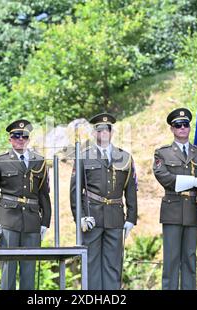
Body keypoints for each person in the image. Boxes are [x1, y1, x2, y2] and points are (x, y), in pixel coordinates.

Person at [70, 113, 138, 290]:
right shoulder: (84, 156)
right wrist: (81, 217)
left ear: (112, 132)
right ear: (94, 133)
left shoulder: (125, 157)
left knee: (113, 265)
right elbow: (75, 190)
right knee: (91, 264)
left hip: (115, 217)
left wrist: (131, 218)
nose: (104, 133)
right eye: (99, 130)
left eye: (107, 129)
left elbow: (131, 189)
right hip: (92, 217)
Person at [0, 119, 51, 290]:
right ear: (10, 139)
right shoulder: (0, 161)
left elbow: (44, 194)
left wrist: (45, 222)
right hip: (8, 219)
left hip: (32, 220)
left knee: (29, 270)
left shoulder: (39, 162)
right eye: (16, 136)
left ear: (28, 139)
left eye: (24, 136)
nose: (20, 139)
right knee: (9, 269)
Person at [153, 108, 197, 290]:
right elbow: (165, 178)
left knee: (190, 259)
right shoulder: (163, 153)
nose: (183, 128)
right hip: (173, 209)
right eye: (178, 125)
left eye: (186, 125)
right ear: (172, 129)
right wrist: (193, 181)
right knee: (171, 260)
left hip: (194, 209)